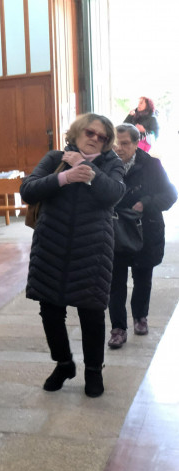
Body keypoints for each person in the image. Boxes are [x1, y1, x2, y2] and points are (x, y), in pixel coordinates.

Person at [20, 114, 125, 398]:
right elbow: (27, 190)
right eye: (90, 132)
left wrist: (86, 168)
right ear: (78, 132)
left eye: (102, 137)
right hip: (51, 247)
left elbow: (114, 193)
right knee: (50, 311)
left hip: (92, 249)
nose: (94, 138)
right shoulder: (56, 157)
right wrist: (64, 176)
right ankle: (64, 363)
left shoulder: (111, 163)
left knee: (91, 312)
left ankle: (93, 371)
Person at [107, 124, 177, 349]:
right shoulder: (106, 165)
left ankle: (140, 317)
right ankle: (118, 328)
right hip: (115, 231)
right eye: (115, 143)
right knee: (115, 283)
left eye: (125, 143)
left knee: (142, 278)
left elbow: (170, 194)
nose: (119, 148)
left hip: (145, 230)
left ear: (137, 144)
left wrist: (146, 203)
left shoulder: (151, 165)